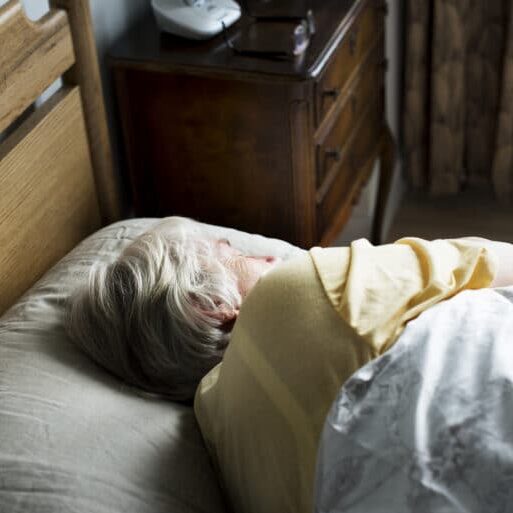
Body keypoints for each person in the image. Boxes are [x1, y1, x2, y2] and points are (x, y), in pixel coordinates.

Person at [67, 216, 513, 513]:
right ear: (212, 306)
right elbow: (485, 260)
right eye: (229, 251)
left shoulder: (223, 443)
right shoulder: (291, 292)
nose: (265, 255)